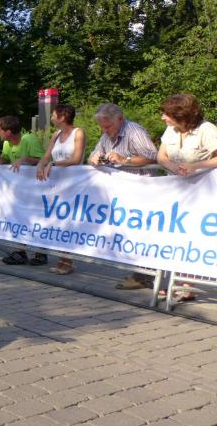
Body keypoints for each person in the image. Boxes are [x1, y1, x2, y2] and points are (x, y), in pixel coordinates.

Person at [88, 103, 159, 289]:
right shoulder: (106, 135)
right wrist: (94, 159)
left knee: (143, 234)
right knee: (131, 234)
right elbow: (93, 154)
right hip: (122, 194)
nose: (105, 131)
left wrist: (125, 160)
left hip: (143, 191)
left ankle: (144, 276)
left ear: (120, 119)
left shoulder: (134, 131)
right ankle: (141, 274)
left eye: (108, 126)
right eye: (102, 127)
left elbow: (153, 156)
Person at [156, 93, 217, 302]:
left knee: (193, 238)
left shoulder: (206, 130)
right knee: (174, 237)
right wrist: (173, 167)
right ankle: (173, 281)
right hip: (175, 191)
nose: (163, 117)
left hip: (201, 193)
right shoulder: (171, 130)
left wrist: (195, 165)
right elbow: (161, 156)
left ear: (180, 114)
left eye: (167, 114)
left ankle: (187, 285)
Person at [35, 104, 87, 274]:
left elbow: (76, 158)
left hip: (73, 184)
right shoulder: (56, 134)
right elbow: (46, 155)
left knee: (68, 222)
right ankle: (62, 259)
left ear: (63, 117)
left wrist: (54, 163)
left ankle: (68, 261)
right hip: (57, 185)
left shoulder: (78, 133)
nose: (51, 118)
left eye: (54, 115)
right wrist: (41, 164)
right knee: (58, 222)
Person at [0, 115, 47, 266]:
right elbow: (4, 162)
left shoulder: (29, 139)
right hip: (20, 189)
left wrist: (26, 159)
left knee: (36, 219)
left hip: (37, 188)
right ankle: (21, 251)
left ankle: (41, 253)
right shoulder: (7, 144)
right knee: (20, 217)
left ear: (8, 132)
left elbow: (45, 160)